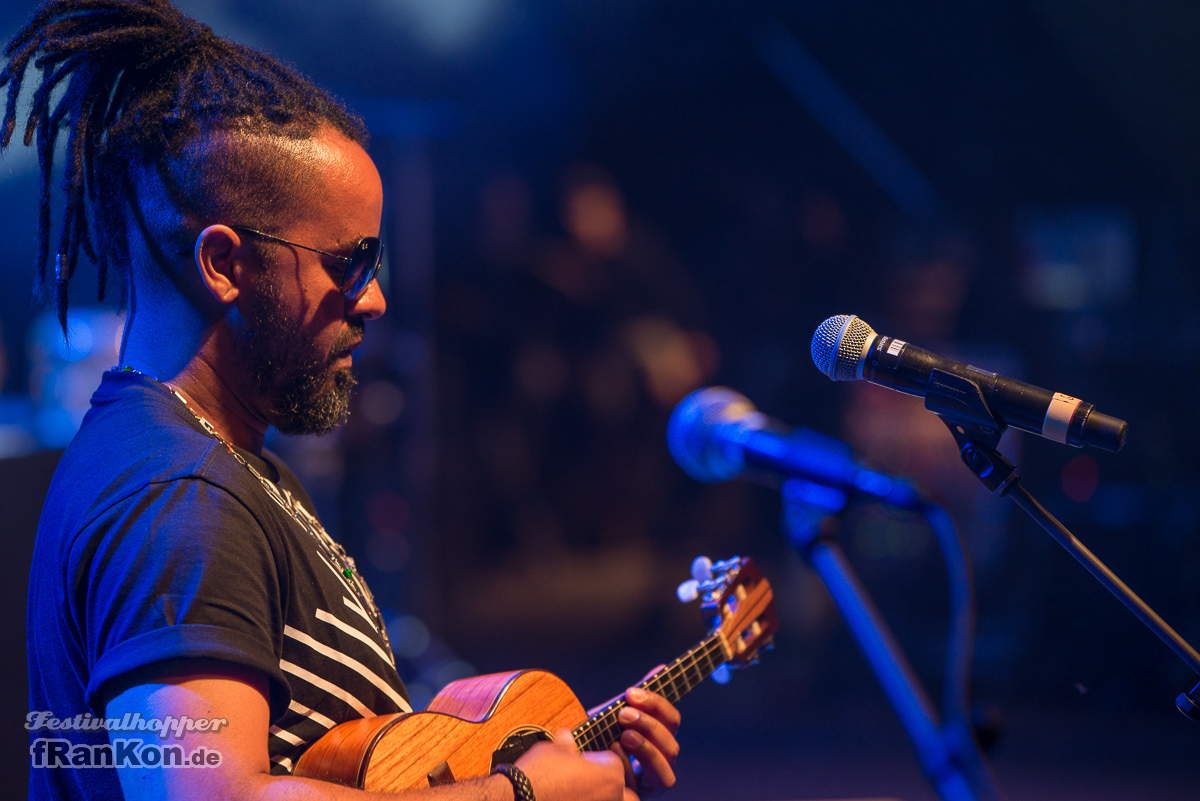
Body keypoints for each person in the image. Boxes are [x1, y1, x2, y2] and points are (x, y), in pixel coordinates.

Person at [3, 2, 681, 799]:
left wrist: (544, 759)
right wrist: (521, 794)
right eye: (350, 263)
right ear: (224, 264)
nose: (376, 299)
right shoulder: (178, 498)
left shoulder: (220, 472)